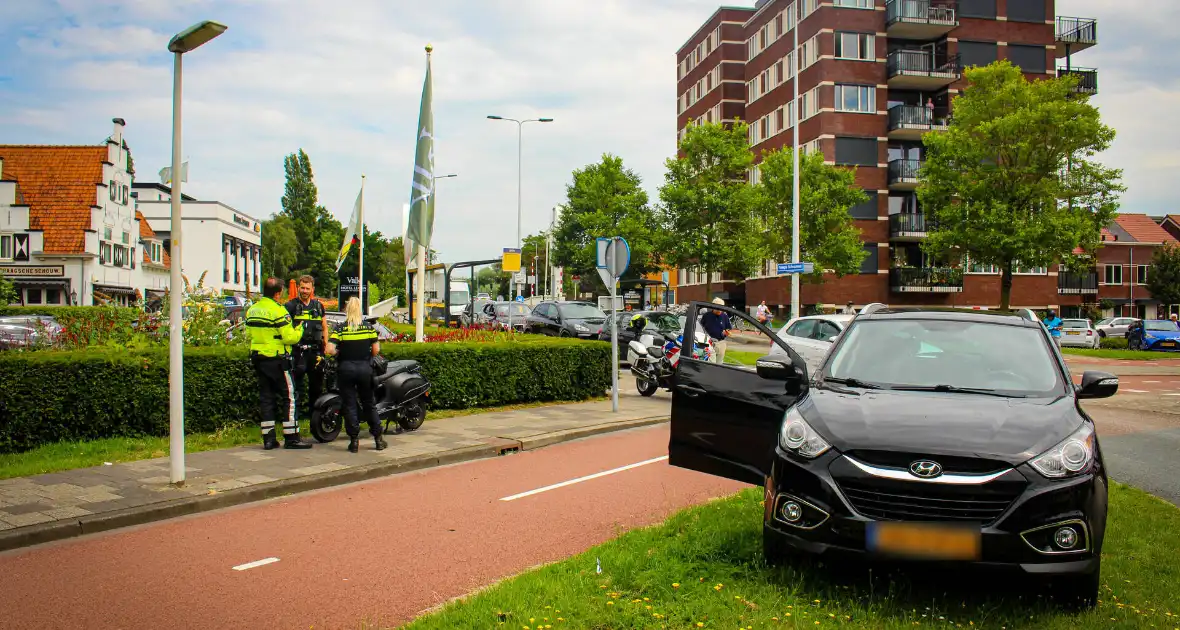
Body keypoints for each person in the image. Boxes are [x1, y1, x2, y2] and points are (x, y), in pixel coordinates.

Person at [245, 277, 313, 450]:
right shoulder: (278, 311)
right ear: (277, 293)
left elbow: (249, 333)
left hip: (258, 358)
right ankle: (291, 437)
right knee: (289, 397)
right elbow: (289, 337)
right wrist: (300, 328)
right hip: (277, 359)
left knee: (266, 397)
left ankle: (268, 439)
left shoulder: (252, 310)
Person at [326, 297, 387, 453]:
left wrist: (340, 351)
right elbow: (376, 351)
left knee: (350, 405)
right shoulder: (368, 328)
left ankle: (354, 441)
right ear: (360, 310)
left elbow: (329, 349)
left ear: (347, 310)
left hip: (346, 370)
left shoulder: (341, 329)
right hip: (365, 370)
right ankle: (378, 439)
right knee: (369, 403)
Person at [285, 275, 328, 422]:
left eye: (307, 288)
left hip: (315, 353)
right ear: (298, 288)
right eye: (302, 288)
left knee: (316, 388)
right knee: (297, 389)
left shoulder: (318, 306)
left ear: (312, 289)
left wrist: (326, 345)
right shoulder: (290, 306)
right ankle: (294, 419)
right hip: (298, 353)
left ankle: (315, 419)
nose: (304, 291)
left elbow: (324, 327)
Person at [701, 297, 733, 364]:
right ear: (713, 307)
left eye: (721, 308)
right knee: (710, 363)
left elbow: (728, 328)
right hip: (709, 343)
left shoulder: (724, 316)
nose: (719, 310)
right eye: (717, 308)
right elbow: (701, 327)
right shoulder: (706, 316)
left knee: (719, 364)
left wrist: (726, 332)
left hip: (721, 343)